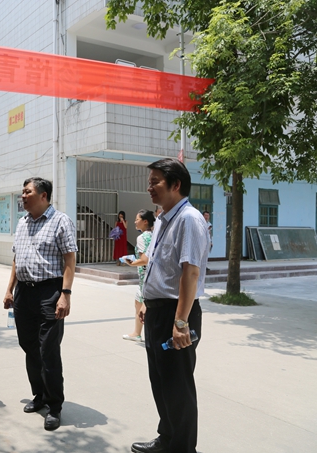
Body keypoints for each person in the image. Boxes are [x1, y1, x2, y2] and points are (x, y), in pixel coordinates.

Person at [131, 158, 210, 453]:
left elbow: (190, 272)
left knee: (177, 385)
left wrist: (180, 322)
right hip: (157, 310)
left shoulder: (189, 219)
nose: (149, 187)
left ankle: (183, 448)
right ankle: (168, 439)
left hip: (176, 314)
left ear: (176, 185)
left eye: (155, 182)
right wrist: (147, 303)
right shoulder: (164, 219)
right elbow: (158, 264)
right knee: (161, 381)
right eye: (149, 182)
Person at [3, 177, 77, 432]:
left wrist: (65, 294)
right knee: (29, 346)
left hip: (49, 292)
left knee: (48, 351)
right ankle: (40, 395)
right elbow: (17, 258)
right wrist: (9, 289)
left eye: (27, 192)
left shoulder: (60, 221)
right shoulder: (22, 222)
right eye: (22, 192)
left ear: (43, 195)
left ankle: (54, 406)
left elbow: (69, 260)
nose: (23, 196)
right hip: (24, 293)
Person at [123, 209, 155, 342]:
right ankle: (137, 332)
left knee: (141, 306)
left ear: (145, 221)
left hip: (145, 277)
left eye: (137, 219)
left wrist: (131, 263)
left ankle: (140, 334)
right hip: (153, 275)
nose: (135, 222)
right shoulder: (155, 235)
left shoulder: (141, 238)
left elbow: (144, 260)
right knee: (139, 303)